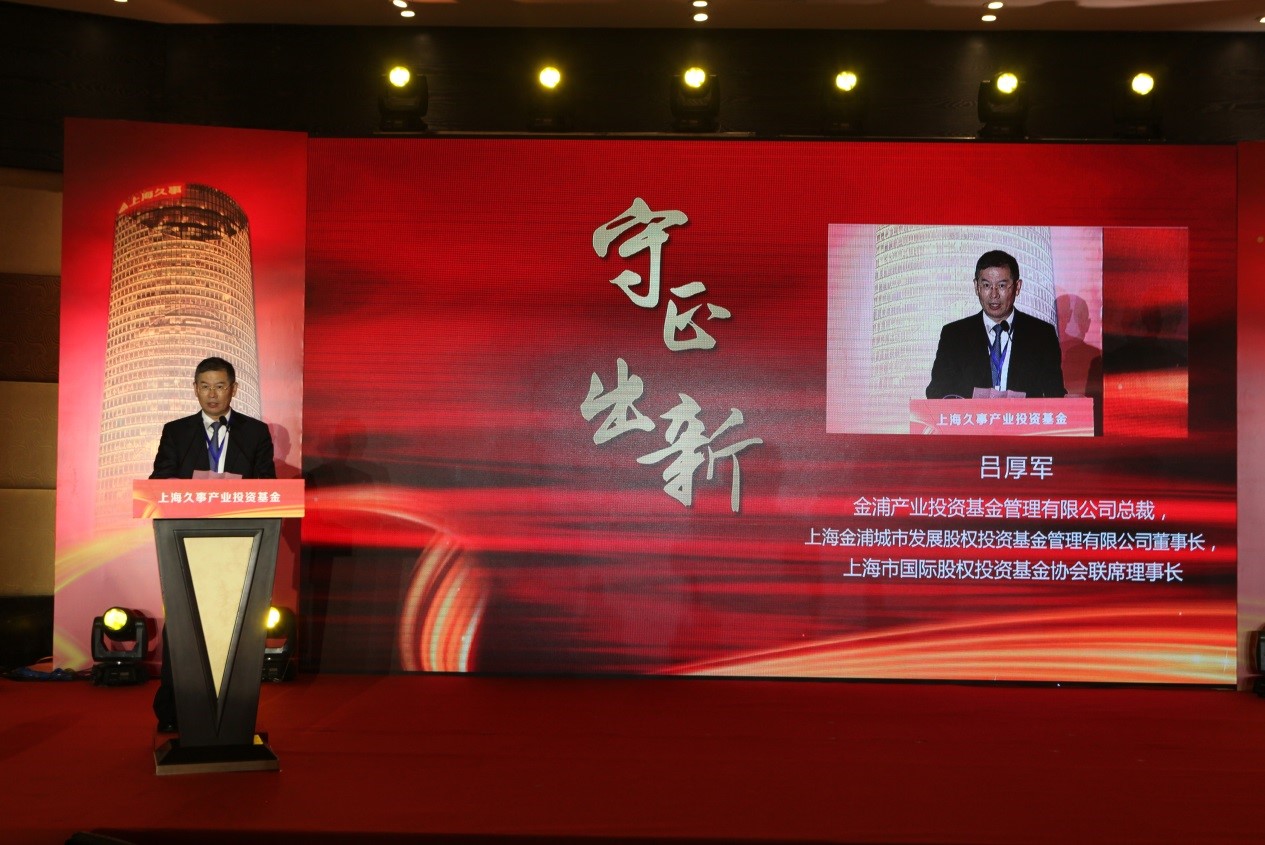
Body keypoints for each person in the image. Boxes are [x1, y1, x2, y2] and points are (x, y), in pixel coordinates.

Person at [149, 356, 276, 732]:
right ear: (195, 389)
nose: (212, 394)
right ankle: (175, 710)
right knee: (184, 625)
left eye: (220, 386)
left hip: (241, 548)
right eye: (204, 386)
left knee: (236, 627)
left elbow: (269, 487)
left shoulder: (255, 433)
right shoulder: (177, 432)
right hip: (187, 546)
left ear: (233, 389)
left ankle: (232, 713)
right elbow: (159, 482)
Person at [926, 250, 1067, 399]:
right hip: (972, 415)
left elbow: (1055, 393)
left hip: (1023, 415)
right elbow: (936, 392)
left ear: (1017, 287)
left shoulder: (1042, 335)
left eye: (1001, 286)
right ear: (976, 286)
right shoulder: (954, 335)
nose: (994, 295)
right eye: (986, 285)